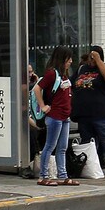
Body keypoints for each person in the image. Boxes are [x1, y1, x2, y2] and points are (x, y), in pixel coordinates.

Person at [74, 44, 105, 177]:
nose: (91, 61)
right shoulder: (82, 69)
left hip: (102, 112)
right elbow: (72, 83)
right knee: (87, 140)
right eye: (90, 58)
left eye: (93, 58)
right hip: (84, 113)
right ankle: (90, 166)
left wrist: (99, 61)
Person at [33, 47, 76, 186]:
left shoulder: (64, 74)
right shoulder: (52, 73)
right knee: (50, 146)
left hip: (64, 116)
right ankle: (43, 176)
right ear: (62, 59)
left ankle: (63, 175)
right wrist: (44, 106)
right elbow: (37, 88)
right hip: (55, 116)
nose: (70, 61)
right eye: (68, 58)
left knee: (62, 147)